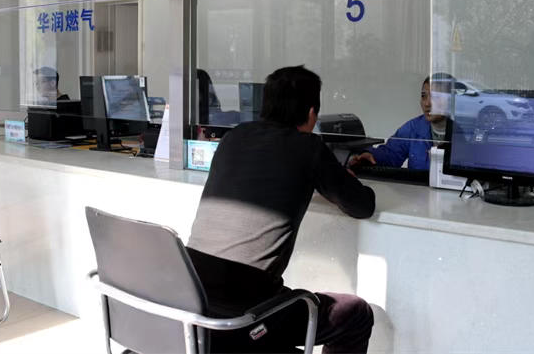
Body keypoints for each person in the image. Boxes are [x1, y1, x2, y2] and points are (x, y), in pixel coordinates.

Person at [187, 66, 376, 354]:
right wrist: (343, 177)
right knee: (356, 314)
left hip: (193, 303)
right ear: (311, 113)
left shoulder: (234, 137)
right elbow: (362, 206)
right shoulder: (309, 147)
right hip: (248, 317)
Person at [350, 73, 460, 170]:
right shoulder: (414, 128)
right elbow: (390, 155)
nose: (427, 103)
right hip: (419, 188)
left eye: (435, 97)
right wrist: (370, 155)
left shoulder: (465, 131)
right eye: (423, 96)